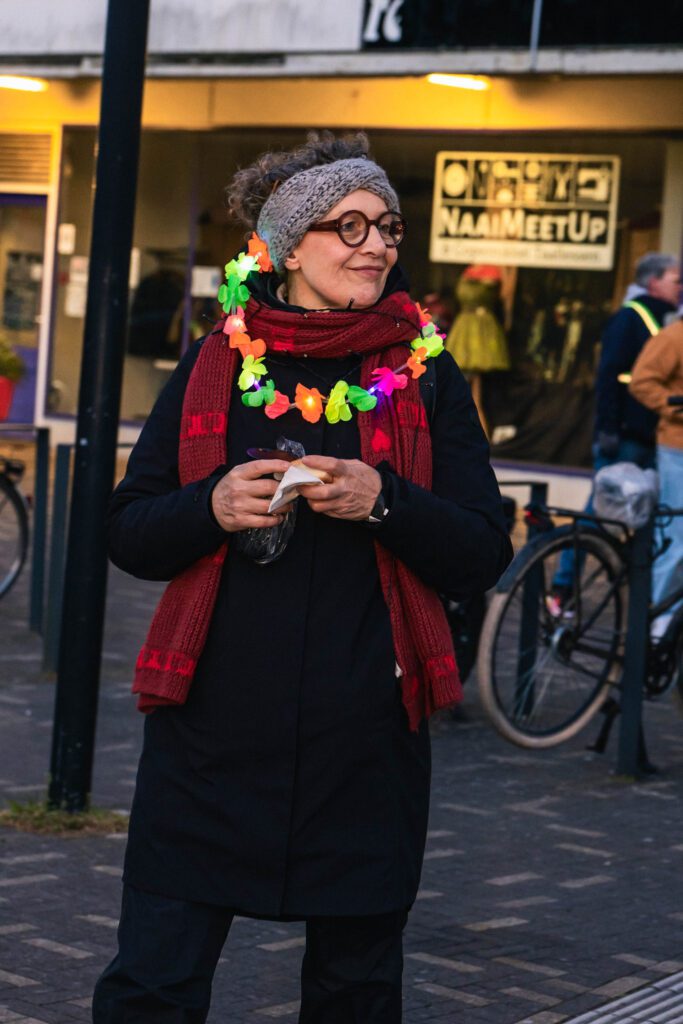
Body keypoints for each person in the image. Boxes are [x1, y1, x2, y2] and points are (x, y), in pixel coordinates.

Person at [92, 131, 512, 1023]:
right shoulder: (218, 361)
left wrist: (384, 500)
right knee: (153, 986)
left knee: (355, 992)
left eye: (388, 227)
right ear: (287, 246)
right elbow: (129, 531)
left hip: (364, 741)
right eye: (347, 225)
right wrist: (211, 506)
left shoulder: (427, 376)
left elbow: (482, 549)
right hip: (211, 739)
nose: (375, 245)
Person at [550, 253, 680, 610]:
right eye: (674, 279)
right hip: (625, 437)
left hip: (655, 439)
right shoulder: (630, 318)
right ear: (653, 281)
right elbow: (609, 375)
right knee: (598, 514)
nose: (679, 286)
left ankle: (641, 602)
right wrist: (608, 428)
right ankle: (562, 589)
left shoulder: (665, 319)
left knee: (653, 522)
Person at [630, 314, 683, 636]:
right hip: (677, 448)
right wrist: (675, 407)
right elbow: (642, 380)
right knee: (676, 540)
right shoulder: (674, 335)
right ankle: (656, 624)